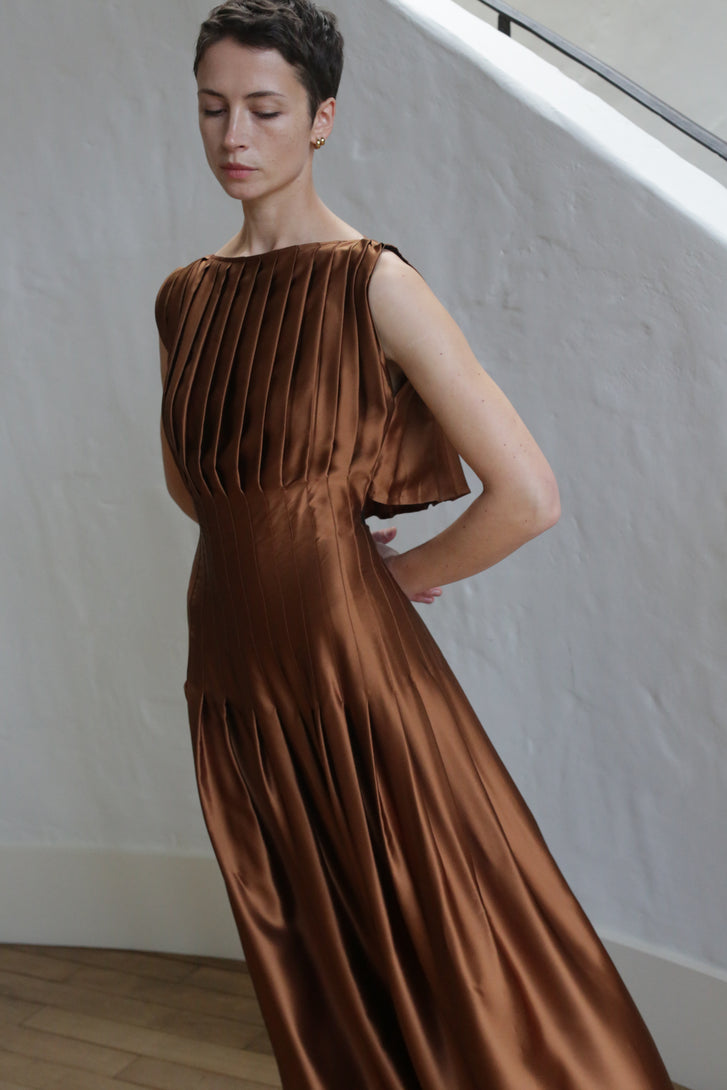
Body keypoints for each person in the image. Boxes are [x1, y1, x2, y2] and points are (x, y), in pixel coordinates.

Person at [155, 2, 674, 1087]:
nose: (233, 137)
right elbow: (201, 496)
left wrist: (391, 582)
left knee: (446, 940)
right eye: (213, 109)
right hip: (234, 682)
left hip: (353, 676)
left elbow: (526, 493)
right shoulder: (184, 301)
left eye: (264, 109)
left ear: (322, 118)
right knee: (317, 962)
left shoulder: (370, 281)